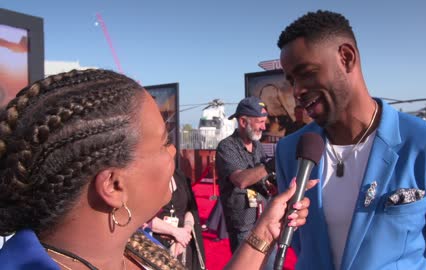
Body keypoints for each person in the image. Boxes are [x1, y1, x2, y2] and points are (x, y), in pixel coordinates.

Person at [0, 69, 316, 270]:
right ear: (113, 185)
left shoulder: (138, 246)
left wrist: (264, 230)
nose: (174, 152)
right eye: (164, 143)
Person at [275, 10, 426, 270]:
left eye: (306, 73)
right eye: (291, 80)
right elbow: (303, 248)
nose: (297, 91)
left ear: (346, 57)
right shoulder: (290, 151)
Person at [215, 96, 277, 268]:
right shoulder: (226, 147)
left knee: (269, 265)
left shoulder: (257, 147)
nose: (264, 127)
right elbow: (241, 180)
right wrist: (271, 164)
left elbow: (261, 178)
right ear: (243, 121)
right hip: (243, 225)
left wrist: (271, 183)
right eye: (260, 122)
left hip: (264, 219)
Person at [149, 169, 206, 270]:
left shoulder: (180, 176)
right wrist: (175, 232)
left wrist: (185, 233)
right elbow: (139, 219)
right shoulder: (143, 178)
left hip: (183, 244)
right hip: (154, 247)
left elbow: (190, 209)